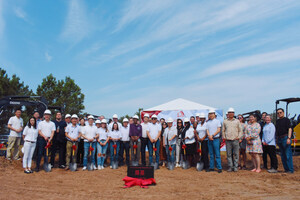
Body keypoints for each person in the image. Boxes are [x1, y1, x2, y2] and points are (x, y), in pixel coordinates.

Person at [222, 108, 242, 172]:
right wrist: (224, 137)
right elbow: (223, 130)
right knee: (229, 154)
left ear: (234, 113)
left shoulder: (237, 121)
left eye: (232, 112)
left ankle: (235, 166)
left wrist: (238, 137)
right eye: (229, 112)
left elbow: (240, 130)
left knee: (236, 154)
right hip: (228, 140)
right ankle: (230, 166)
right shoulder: (225, 121)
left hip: (235, 140)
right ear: (228, 114)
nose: (231, 113)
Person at [276, 108, 294, 173]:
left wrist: (288, 138)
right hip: (279, 139)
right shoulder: (277, 121)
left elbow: (290, 129)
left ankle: (290, 170)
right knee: (283, 155)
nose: (279, 114)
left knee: (288, 155)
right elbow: (277, 131)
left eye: (280, 112)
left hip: (285, 138)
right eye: (278, 113)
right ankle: (286, 169)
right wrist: (277, 139)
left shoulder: (287, 120)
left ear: (283, 113)